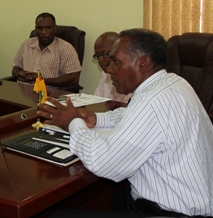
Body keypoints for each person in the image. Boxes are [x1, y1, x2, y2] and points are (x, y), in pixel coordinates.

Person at [38, 28, 213, 218]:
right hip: (196, 198)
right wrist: (96, 119)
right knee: (117, 198)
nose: (110, 69)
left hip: (176, 213)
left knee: (59, 216)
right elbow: (132, 114)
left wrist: (73, 123)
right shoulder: (174, 82)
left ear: (143, 64)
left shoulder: (150, 101)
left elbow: (102, 161)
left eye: (116, 62)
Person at [11, 12, 81, 87]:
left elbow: (74, 79)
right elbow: (16, 68)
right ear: (35, 29)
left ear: (55, 28)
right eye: (40, 28)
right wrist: (18, 74)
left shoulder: (65, 48)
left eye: (48, 28)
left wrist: (41, 79)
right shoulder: (26, 44)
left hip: (49, 94)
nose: (44, 32)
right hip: (23, 92)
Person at [93, 31, 131, 103]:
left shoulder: (130, 74)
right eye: (97, 56)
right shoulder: (105, 73)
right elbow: (97, 100)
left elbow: (127, 107)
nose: (100, 59)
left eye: (105, 54)